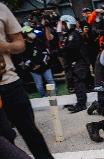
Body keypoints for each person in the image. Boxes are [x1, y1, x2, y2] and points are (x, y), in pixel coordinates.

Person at [0, 3, 54, 159]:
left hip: (10, 83)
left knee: (31, 133)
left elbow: (20, 44)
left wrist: (5, 46)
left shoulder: (2, 8)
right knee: (5, 140)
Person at [58, 15, 89, 113]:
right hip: (75, 62)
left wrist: (59, 51)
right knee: (76, 82)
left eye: (63, 24)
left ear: (68, 24)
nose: (62, 27)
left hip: (79, 62)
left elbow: (71, 49)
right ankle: (80, 102)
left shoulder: (73, 35)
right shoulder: (69, 35)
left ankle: (81, 104)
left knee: (78, 82)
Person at [22, 26, 56, 97]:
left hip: (45, 66)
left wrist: (41, 63)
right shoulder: (23, 45)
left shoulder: (38, 40)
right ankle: (44, 98)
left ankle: (53, 98)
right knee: (39, 85)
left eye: (31, 31)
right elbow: (24, 59)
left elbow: (46, 52)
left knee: (50, 82)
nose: (31, 33)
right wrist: (33, 65)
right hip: (34, 70)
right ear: (25, 35)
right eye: (29, 32)